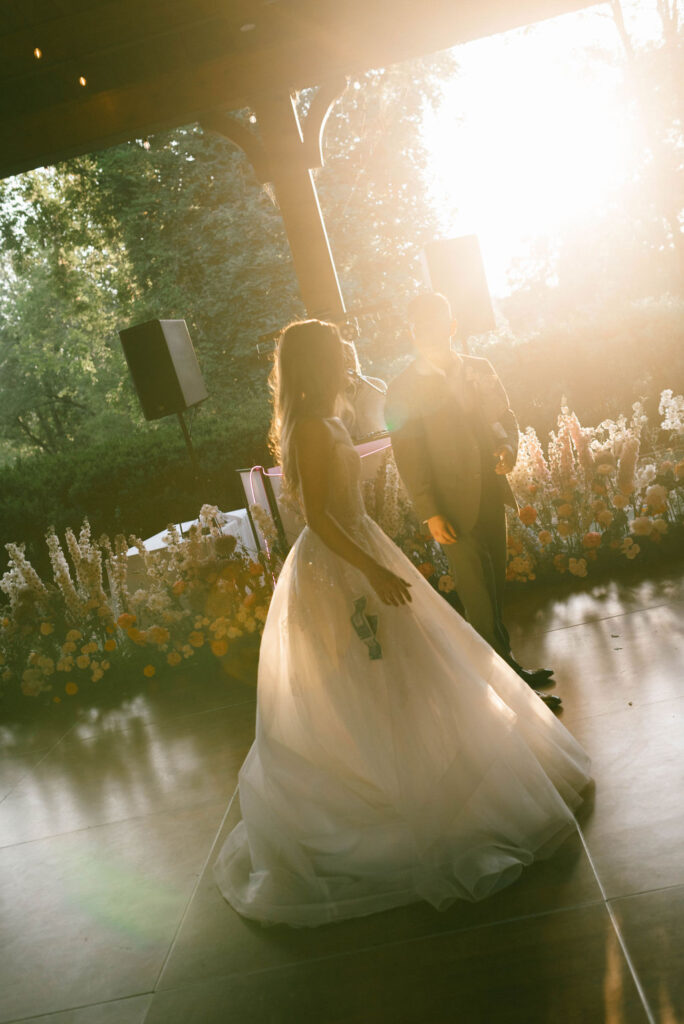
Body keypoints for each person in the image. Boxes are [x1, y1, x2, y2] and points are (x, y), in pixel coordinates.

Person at [212, 318, 591, 928]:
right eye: (338, 354)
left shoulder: (328, 417)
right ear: (315, 363)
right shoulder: (310, 426)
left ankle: (424, 782)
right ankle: (387, 794)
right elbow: (315, 516)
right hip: (340, 564)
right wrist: (373, 570)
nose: (347, 361)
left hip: (364, 548)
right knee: (365, 681)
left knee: (411, 673)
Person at [385, 292, 560, 709]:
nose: (430, 331)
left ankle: (509, 667)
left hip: (489, 494)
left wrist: (508, 449)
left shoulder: (480, 369)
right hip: (448, 509)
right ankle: (512, 695)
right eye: (420, 325)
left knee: (494, 587)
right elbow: (408, 457)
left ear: (452, 326)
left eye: (438, 322)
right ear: (412, 331)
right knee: (478, 598)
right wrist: (430, 511)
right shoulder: (402, 388)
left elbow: (505, 419)